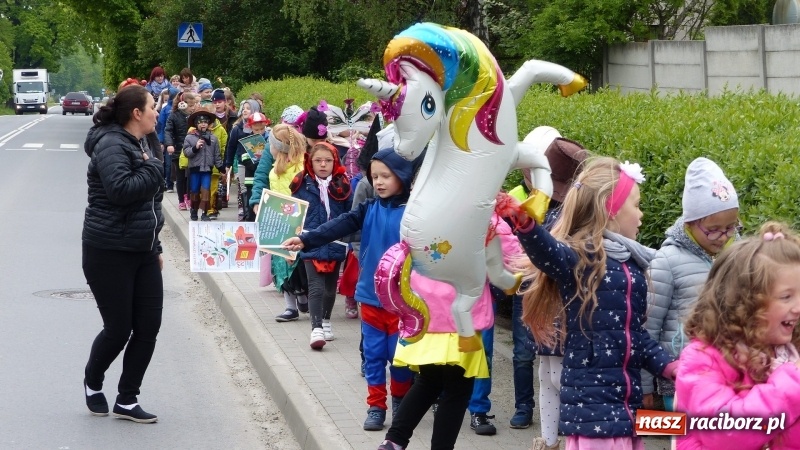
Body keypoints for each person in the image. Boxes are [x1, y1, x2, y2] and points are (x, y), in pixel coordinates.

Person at [498, 156, 677, 449]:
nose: (642, 214)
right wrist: (526, 225)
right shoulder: (582, 259)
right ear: (611, 208)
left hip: (624, 411)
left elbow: (636, 337)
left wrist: (668, 366)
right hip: (593, 415)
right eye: (636, 204)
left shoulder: (633, 267)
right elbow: (550, 253)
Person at [282, 146, 414, 430]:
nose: (378, 182)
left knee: (401, 359)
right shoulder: (368, 208)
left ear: (402, 177)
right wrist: (306, 240)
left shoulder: (416, 213)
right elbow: (338, 225)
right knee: (375, 356)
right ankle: (376, 406)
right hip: (370, 296)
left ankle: (402, 403)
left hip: (405, 302)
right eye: (374, 176)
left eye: (385, 177)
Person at [379, 212, 516, 450]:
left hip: (427, 312)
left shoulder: (426, 208)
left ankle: (394, 440)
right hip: (463, 318)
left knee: (427, 381)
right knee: (457, 391)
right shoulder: (484, 215)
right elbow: (513, 257)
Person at [675, 221, 800, 449]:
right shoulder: (703, 358)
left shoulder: (787, 354)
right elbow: (724, 432)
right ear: (745, 303)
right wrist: (792, 383)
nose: (798, 306)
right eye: (786, 297)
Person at [82, 84, 163, 424]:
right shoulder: (113, 142)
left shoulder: (142, 141)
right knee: (119, 328)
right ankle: (92, 380)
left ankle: (128, 399)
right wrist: (153, 169)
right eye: (153, 107)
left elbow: (152, 204)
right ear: (136, 114)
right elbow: (121, 191)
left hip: (142, 250)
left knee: (148, 327)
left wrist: (155, 245)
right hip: (108, 250)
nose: (157, 112)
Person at [643, 157, 740, 412]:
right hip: (679, 381)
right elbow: (647, 328)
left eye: (731, 228)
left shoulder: (739, 257)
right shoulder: (667, 261)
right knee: (683, 437)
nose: (723, 236)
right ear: (689, 224)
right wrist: (642, 387)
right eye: (713, 229)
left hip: (729, 377)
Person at [526, 136, 588, 450]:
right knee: (546, 372)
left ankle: (570, 437)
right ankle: (550, 439)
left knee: (559, 376)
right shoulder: (549, 212)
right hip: (546, 303)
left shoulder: (572, 219)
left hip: (566, 306)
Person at [285, 142, 351, 347]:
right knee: (315, 287)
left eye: (328, 160)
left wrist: (351, 242)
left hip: (335, 243)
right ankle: (316, 329)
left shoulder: (344, 185)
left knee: (331, 289)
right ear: (309, 161)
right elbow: (291, 214)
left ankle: (326, 321)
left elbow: (350, 216)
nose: (323, 164)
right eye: (318, 160)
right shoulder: (300, 184)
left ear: (335, 161)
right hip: (309, 242)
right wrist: (288, 247)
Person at [253, 123, 309, 321]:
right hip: (277, 221)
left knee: (294, 263)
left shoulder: (300, 166)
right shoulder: (276, 164)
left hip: (294, 222)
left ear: (278, 146)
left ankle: (301, 293)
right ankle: (290, 306)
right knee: (280, 264)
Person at [183, 109, 225, 221]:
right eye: (201, 122)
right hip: (195, 169)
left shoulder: (213, 139)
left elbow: (217, 155)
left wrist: (222, 168)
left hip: (207, 169)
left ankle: (205, 212)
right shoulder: (189, 138)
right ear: (196, 124)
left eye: (205, 122)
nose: (203, 124)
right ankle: (194, 210)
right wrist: (195, 148)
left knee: (206, 190)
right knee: (195, 190)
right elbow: (187, 153)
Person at [165, 91, 197, 210]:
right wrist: (169, 144)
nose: (192, 107)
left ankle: (188, 197)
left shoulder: (195, 116)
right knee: (180, 177)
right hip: (178, 150)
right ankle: (181, 200)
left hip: (192, 151)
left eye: (194, 105)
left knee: (190, 175)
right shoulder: (173, 116)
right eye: (190, 105)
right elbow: (168, 130)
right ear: (182, 104)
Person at [239, 111, 272, 221]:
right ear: (251, 128)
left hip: (267, 180)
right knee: (252, 207)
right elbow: (245, 160)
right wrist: (263, 162)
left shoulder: (269, 140)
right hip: (251, 181)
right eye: (256, 130)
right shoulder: (246, 142)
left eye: (262, 129)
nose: (259, 132)